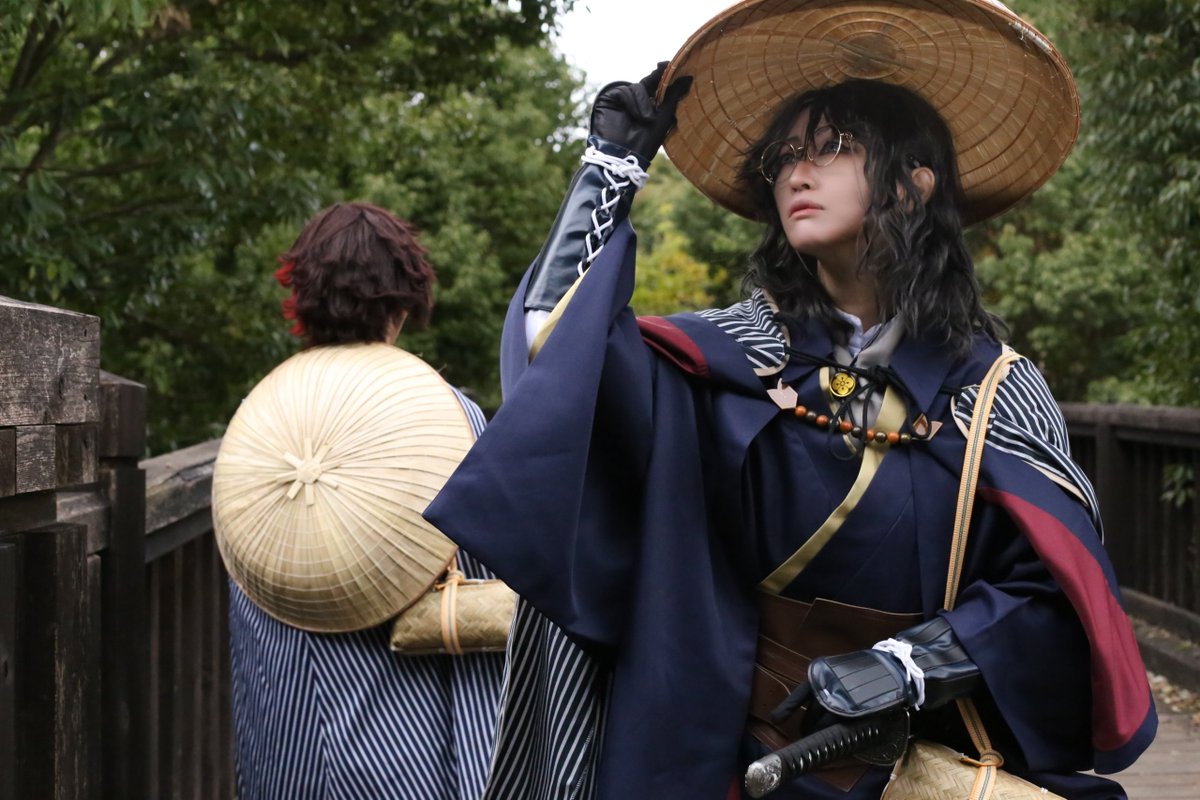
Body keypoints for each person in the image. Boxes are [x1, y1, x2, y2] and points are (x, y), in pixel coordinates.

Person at [425, 2, 1157, 798]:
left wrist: (917, 664)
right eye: (785, 156)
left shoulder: (995, 390)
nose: (797, 172)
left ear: (914, 185)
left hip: (913, 766)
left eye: (834, 148)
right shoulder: (715, 360)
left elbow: (1051, 595)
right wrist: (609, 171)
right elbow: (551, 353)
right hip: (720, 755)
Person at [225, 202, 504, 800]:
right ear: (402, 303)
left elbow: (246, 571)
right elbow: (482, 576)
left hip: (293, 698)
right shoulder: (446, 412)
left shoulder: (262, 413)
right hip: (407, 726)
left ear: (302, 298)